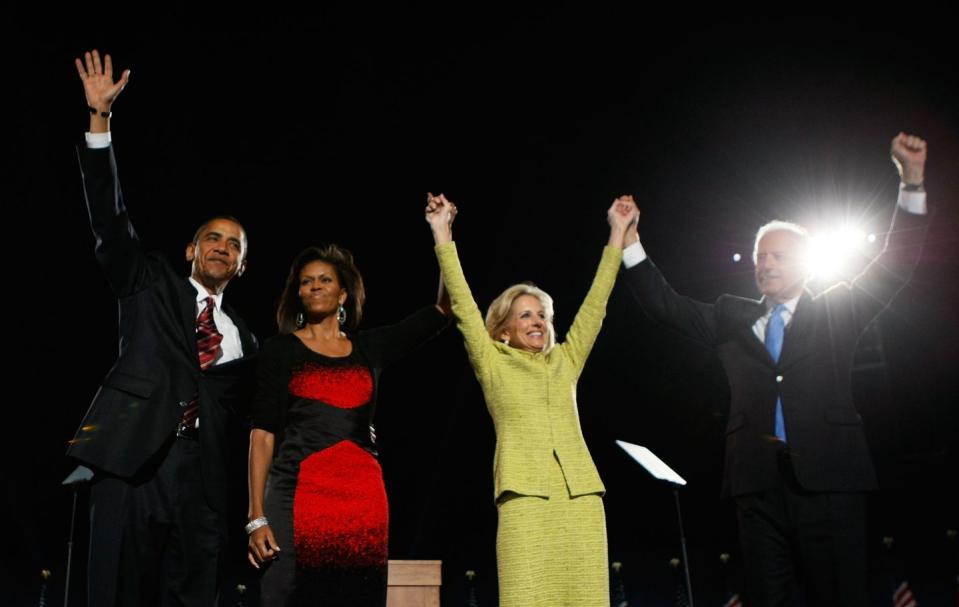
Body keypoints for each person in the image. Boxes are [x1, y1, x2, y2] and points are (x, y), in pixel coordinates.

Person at [619, 133, 930, 606]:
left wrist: (911, 180)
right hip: (757, 486)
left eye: (779, 256)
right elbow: (668, 308)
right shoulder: (730, 316)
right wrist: (631, 243)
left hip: (832, 481)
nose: (766, 263)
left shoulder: (837, 309)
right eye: (761, 255)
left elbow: (897, 264)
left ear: (805, 264)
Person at [67, 50, 258, 606]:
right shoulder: (148, 281)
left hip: (203, 485)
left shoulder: (243, 335)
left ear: (243, 266)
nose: (223, 247)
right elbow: (110, 221)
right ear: (191, 250)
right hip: (131, 462)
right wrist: (100, 121)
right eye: (214, 239)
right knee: (116, 592)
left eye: (235, 245)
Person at [425, 192, 637, 606]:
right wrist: (441, 232)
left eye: (542, 315)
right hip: (525, 502)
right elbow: (465, 309)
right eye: (525, 315)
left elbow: (595, 306)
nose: (537, 321)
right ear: (503, 329)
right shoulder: (492, 362)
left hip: (582, 503)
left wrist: (617, 232)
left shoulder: (565, 361)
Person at [247, 243, 452, 606]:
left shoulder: (369, 348)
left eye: (325, 279)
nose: (315, 286)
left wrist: (442, 238)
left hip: (361, 502)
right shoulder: (279, 350)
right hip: (293, 495)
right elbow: (263, 434)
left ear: (343, 294)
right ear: (298, 293)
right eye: (307, 281)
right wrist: (256, 517)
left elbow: (442, 311)